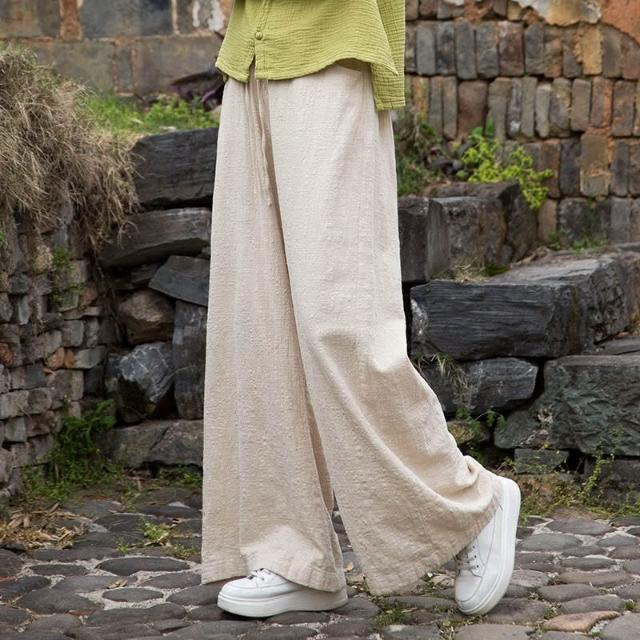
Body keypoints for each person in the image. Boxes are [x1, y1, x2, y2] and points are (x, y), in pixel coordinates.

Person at [200, 0, 521, 619]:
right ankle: (295, 556)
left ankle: (469, 504)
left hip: (331, 54)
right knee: (259, 323)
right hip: (251, 60)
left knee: (339, 321)